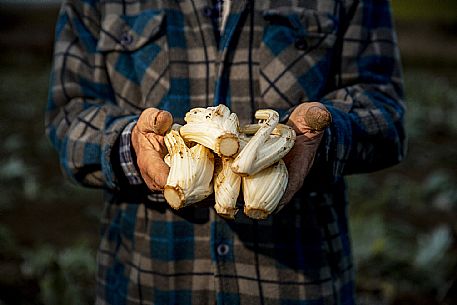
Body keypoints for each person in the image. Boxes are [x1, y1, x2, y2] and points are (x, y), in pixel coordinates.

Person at [45, 0, 406, 304]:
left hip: (298, 284)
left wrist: (319, 138)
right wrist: (134, 145)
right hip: (146, 283)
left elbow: (384, 109)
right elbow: (69, 115)